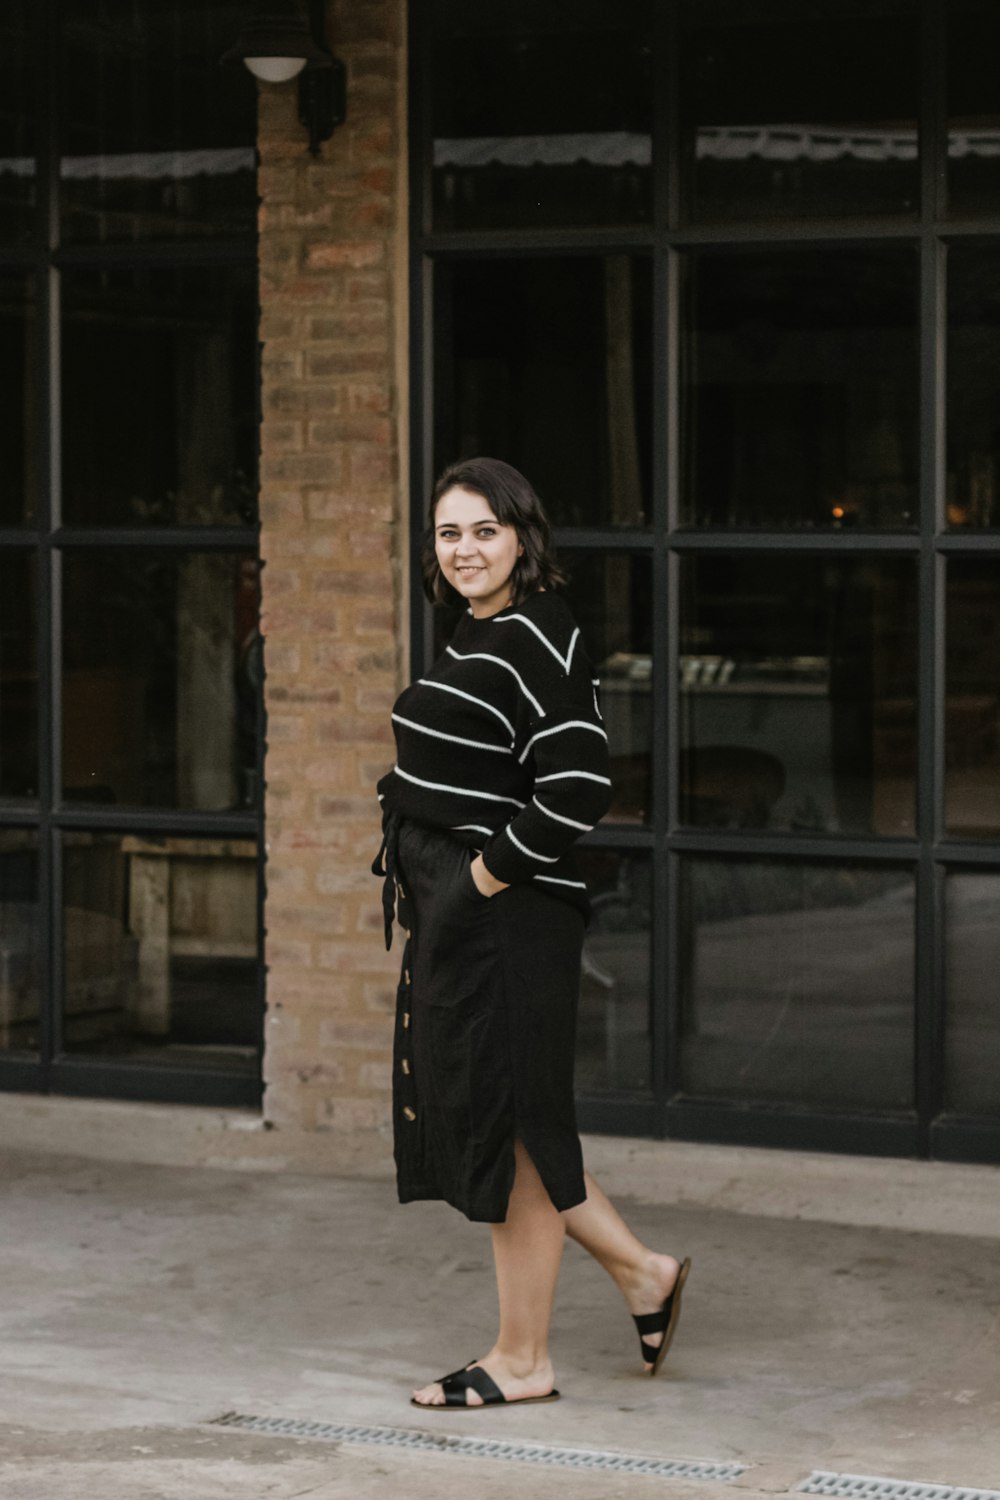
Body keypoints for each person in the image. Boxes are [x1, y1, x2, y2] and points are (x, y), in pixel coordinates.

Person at [372, 456, 690, 1411]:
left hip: (508, 920)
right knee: (519, 1123)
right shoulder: (480, 631)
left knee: (515, 1133)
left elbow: (580, 789)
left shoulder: (539, 636)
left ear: (522, 537)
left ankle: (523, 1361)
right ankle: (644, 1274)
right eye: (448, 533)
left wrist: (476, 881)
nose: (464, 549)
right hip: (473, 920)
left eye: (483, 530)